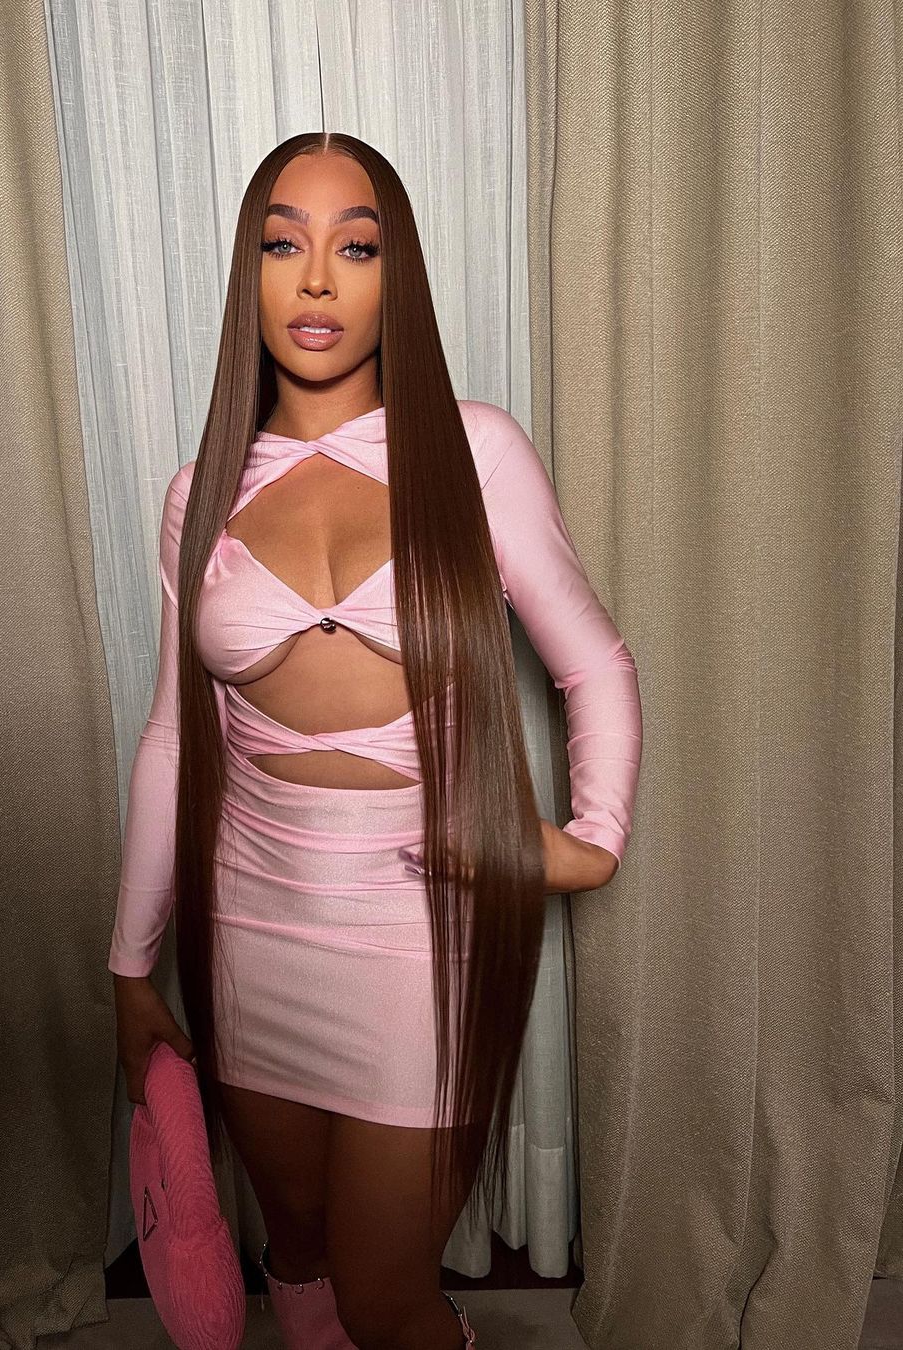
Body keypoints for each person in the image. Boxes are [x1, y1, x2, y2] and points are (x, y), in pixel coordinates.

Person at [109, 132, 642, 1350]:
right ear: (248, 274)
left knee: (385, 1294)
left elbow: (595, 663)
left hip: (417, 925)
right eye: (281, 245)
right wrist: (129, 966)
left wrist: (586, 843)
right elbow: (174, 737)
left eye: (356, 248)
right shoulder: (200, 491)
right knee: (295, 1254)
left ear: (396, 276)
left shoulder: (473, 450)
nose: (315, 279)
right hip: (249, 920)